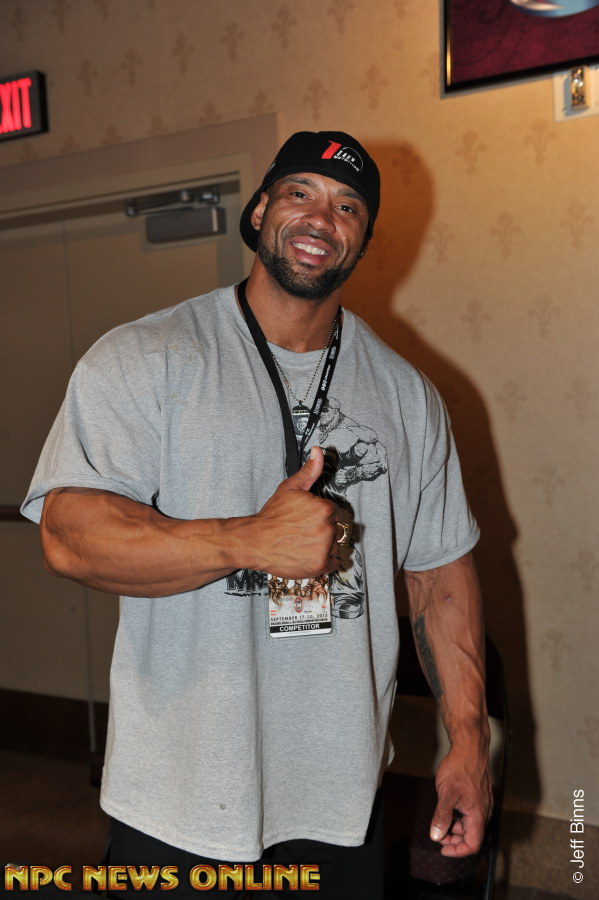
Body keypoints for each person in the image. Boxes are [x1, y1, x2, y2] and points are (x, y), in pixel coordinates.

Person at [22, 130, 492, 898]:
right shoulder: (147, 357)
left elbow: (439, 571)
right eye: (300, 192)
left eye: (347, 206)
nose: (321, 217)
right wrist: (245, 540)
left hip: (340, 800)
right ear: (260, 209)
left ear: (364, 239)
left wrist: (467, 742)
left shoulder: (407, 396)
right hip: (175, 799)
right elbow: (69, 537)